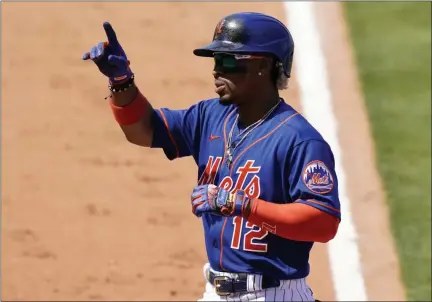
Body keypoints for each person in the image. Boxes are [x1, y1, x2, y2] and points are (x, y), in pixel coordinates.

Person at [82, 12, 341, 302]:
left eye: (228, 61)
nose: (217, 70)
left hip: (273, 294)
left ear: (263, 65)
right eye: (216, 60)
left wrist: (240, 204)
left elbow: (323, 222)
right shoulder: (211, 116)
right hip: (215, 292)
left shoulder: (298, 140)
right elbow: (143, 131)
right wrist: (121, 82)